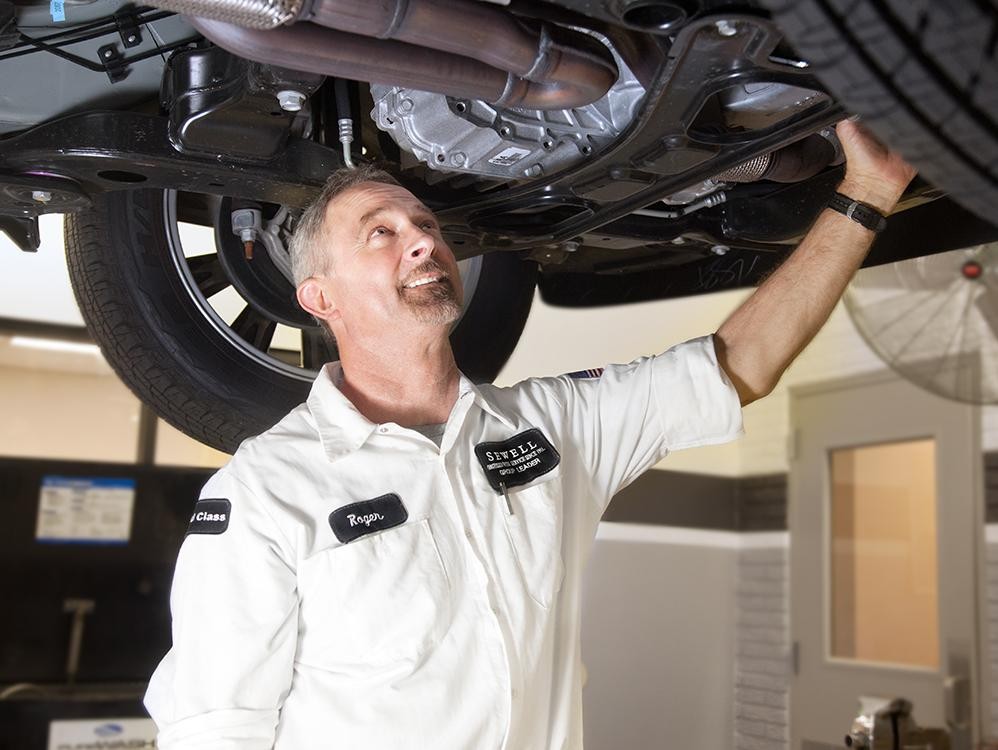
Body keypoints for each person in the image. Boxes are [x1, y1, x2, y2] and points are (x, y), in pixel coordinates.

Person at [144, 119, 915, 749]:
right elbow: (214, 729)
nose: (423, 241)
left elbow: (735, 365)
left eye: (425, 225)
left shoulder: (550, 430)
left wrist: (868, 194)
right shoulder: (267, 490)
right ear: (320, 297)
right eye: (380, 233)